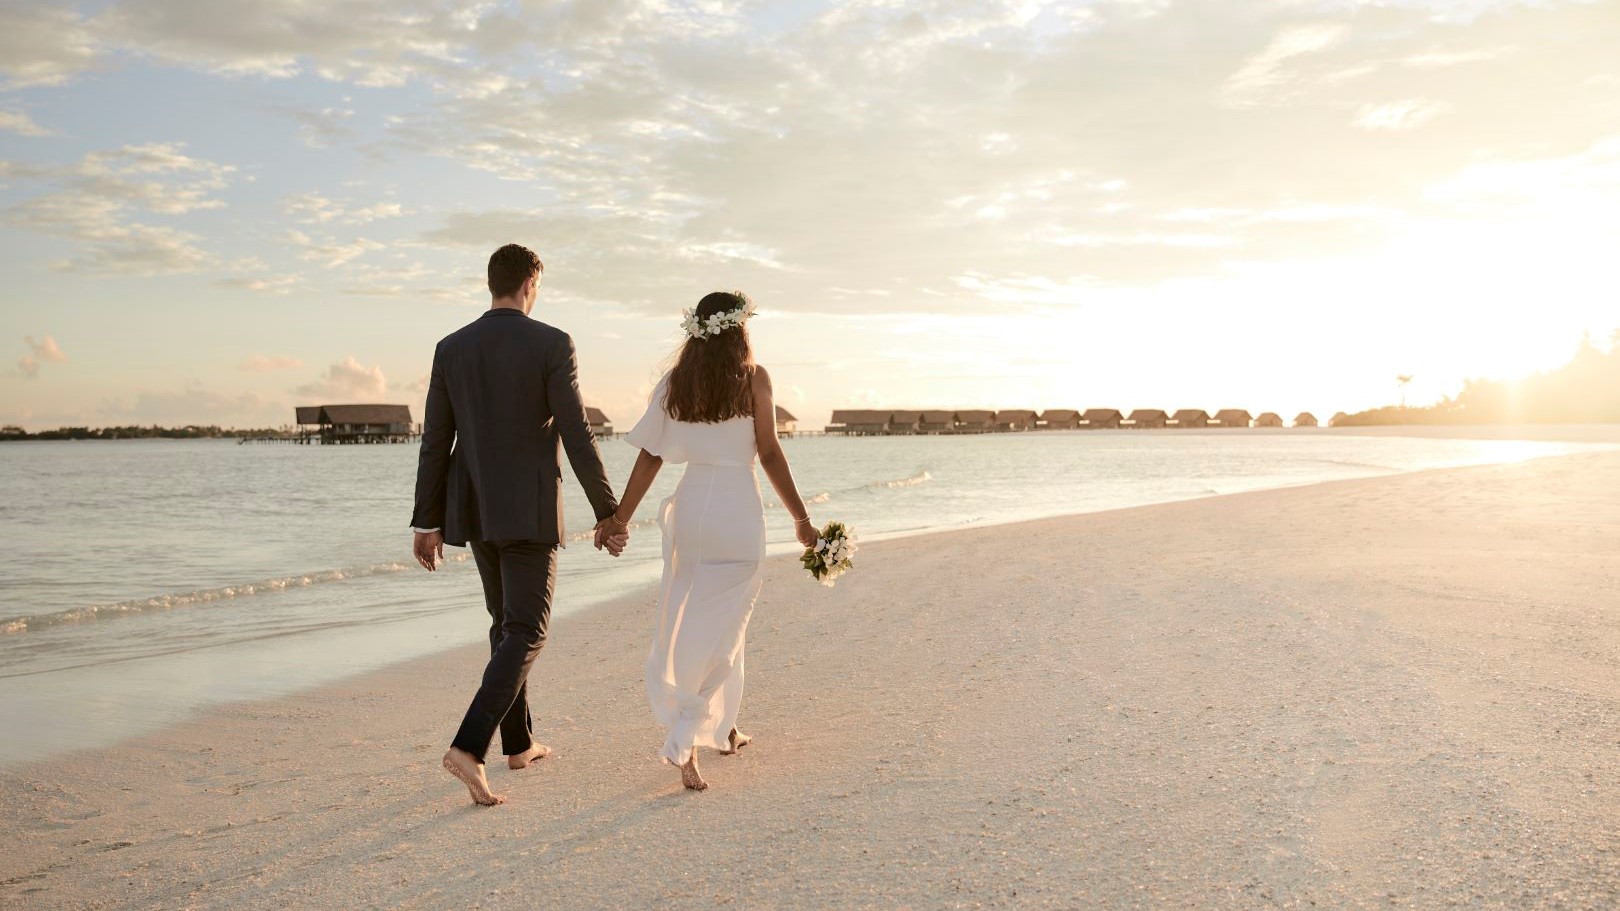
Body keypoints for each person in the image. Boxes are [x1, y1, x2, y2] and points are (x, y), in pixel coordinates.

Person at [410, 243, 627, 806]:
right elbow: (576, 431)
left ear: (492, 283)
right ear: (531, 283)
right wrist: (608, 511)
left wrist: (427, 521)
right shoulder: (552, 342)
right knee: (528, 630)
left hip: (475, 508)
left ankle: (520, 743)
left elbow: (436, 441)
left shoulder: (451, 347)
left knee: (506, 624)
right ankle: (469, 745)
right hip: (529, 510)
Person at [605, 290, 818, 791]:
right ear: (740, 329)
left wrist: (620, 516)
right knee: (728, 623)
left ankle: (723, 728)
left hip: (693, 507)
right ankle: (687, 732)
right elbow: (769, 453)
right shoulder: (754, 378)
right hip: (737, 509)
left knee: (696, 615)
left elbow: (651, 455)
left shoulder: (678, 382)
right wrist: (802, 518)